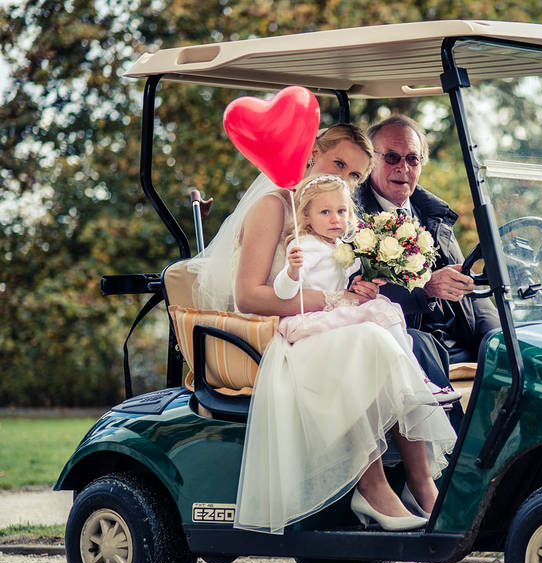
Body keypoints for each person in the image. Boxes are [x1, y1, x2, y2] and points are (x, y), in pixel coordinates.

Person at [190, 124, 453, 533]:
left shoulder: (335, 217)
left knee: (387, 334)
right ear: (313, 153)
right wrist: (332, 300)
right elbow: (249, 297)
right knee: (369, 340)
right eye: (339, 164)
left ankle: (423, 484)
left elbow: (337, 280)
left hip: (327, 327)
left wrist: (358, 290)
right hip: (283, 337)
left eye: (355, 175)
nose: (344, 179)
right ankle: (373, 487)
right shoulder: (275, 206)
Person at [272, 172, 460, 405]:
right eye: (325, 212)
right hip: (308, 318)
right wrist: (292, 271)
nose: (335, 219)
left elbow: (343, 283)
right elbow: (283, 293)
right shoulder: (307, 245)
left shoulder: (339, 245)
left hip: (333, 313)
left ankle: (412, 381)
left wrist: (362, 284)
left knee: (383, 304)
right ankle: (416, 380)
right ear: (307, 216)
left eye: (341, 211)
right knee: (380, 309)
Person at [356, 115, 500, 395]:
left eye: (413, 159)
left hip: (456, 343)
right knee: (421, 345)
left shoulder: (434, 213)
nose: (403, 167)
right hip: (404, 342)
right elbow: (358, 293)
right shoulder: (351, 216)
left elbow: (468, 287)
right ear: (370, 161)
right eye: (392, 157)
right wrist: (426, 289)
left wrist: (496, 338)